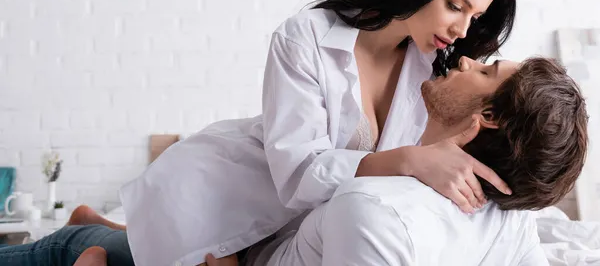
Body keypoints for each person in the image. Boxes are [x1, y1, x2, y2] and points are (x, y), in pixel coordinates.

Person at [0, 0, 517, 266]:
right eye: (455, 5)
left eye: (473, 16)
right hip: (225, 199)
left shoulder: (436, 71)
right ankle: (87, 233)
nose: (462, 29)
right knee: (86, 252)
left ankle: (98, 227)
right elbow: (298, 176)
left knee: (122, 250)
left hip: (285, 236)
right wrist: (407, 160)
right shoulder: (307, 37)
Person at [235, 56, 588, 266]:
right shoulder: (510, 219)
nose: (466, 61)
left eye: (485, 71)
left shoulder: (373, 210)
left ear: (489, 114)